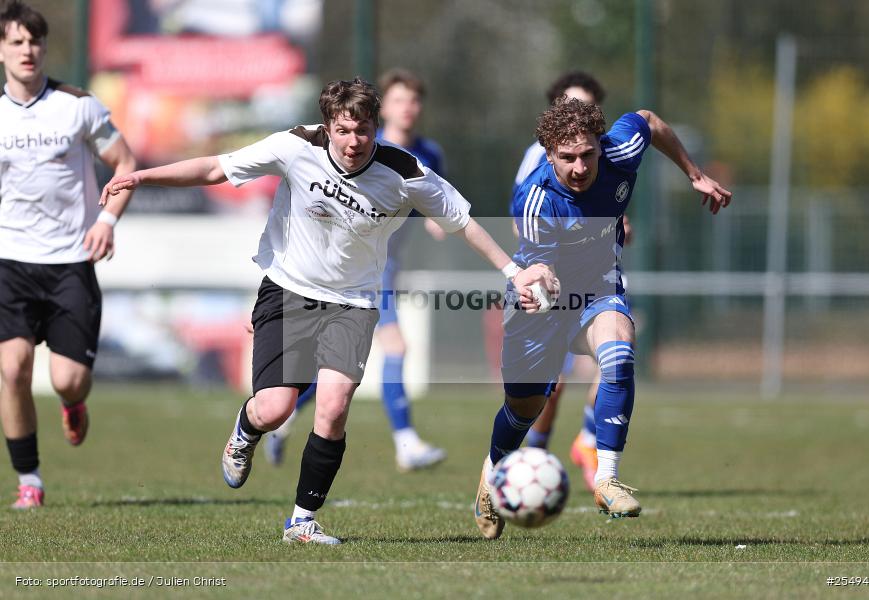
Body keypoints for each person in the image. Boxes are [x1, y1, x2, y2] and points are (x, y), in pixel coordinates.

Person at [101, 77, 555, 545]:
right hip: (287, 291)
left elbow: (462, 223)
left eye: (363, 130)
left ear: (375, 126)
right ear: (328, 126)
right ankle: (246, 429)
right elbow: (217, 168)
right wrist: (142, 177)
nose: (354, 141)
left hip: (354, 301)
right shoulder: (295, 146)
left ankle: (302, 521)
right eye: (343, 130)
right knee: (274, 409)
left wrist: (513, 272)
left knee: (333, 407)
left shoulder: (405, 170)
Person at [475, 97, 731, 539]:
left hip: (598, 287)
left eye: (587, 155)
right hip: (544, 300)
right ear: (548, 154)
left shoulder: (621, 149)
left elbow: (649, 120)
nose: (580, 167)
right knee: (524, 409)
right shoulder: (535, 200)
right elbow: (538, 272)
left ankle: (607, 479)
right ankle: (493, 472)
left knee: (619, 354)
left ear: (601, 145)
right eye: (567, 157)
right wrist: (542, 286)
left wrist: (694, 174)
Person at [264, 68, 449, 472]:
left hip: (390, 265)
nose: (408, 108)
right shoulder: (365, 149)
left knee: (337, 373)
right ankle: (406, 443)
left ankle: (286, 416)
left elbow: (434, 202)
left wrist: (438, 222)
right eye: (399, 100)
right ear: (385, 110)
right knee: (394, 348)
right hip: (358, 270)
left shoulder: (428, 155)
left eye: (414, 100)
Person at [0, 1, 137, 509]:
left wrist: (106, 221)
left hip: (69, 263)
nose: (27, 50)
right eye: (16, 41)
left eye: (34, 41)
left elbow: (125, 162)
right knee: (12, 369)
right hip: (10, 262)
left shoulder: (78, 106)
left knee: (69, 380)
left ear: (44, 47)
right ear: (1, 50)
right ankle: (30, 480)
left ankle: (73, 404)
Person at [511, 71, 632, 491]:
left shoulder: (607, 151)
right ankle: (534, 456)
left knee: (616, 353)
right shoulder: (536, 160)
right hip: (549, 281)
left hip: (597, 281)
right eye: (567, 104)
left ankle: (589, 440)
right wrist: (540, 272)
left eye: (584, 105)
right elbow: (523, 219)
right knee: (549, 386)